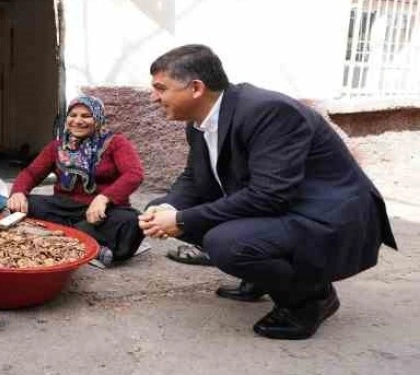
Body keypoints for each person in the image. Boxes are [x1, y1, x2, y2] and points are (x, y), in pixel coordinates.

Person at [139, 45, 397, 339]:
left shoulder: (268, 112)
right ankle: (263, 276)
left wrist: (182, 219)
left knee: (226, 242)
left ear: (196, 88)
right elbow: (194, 178)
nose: (154, 97)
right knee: (163, 209)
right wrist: (170, 208)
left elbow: (269, 195)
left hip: (331, 218)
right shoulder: (199, 122)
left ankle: (311, 299)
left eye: (161, 88)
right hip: (283, 207)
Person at [7, 95, 145, 267]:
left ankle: (60, 238)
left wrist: (103, 198)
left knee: (133, 222)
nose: (77, 121)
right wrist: (18, 192)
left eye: (86, 116)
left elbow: (134, 174)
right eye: (73, 115)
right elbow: (31, 173)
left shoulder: (116, 143)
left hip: (103, 212)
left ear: (98, 118)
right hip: (64, 208)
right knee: (24, 205)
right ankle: (89, 244)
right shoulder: (57, 147)